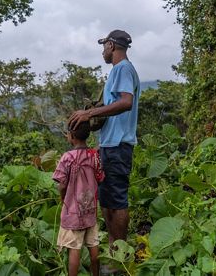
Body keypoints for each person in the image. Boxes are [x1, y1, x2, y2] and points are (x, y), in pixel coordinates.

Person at [68, 29, 140, 248]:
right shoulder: (119, 71)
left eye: (104, 46)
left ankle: (119, 256)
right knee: (108, 202)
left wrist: (89, 113)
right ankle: (113, 249)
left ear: (111, 46)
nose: (102, 52)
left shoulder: (123, 69)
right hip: (110, 146)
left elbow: (126, 102)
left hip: (118, 146)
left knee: (117, 202)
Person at [53, 120, 105, 276]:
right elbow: (100, 178)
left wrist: (63, 199)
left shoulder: (67, 157)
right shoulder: (94, 155)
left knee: (74, 251)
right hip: (90, 210)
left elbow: (61, 184)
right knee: (94, 248)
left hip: (73, 212)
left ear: (71, 136)